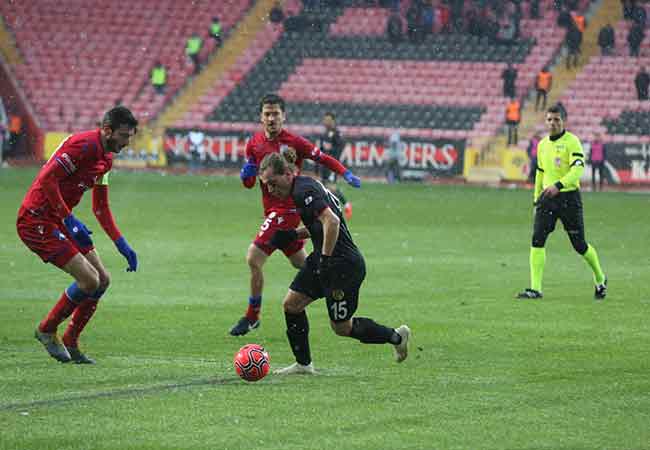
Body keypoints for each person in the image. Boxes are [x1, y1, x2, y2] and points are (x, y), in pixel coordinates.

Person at [257, 152, 410, 375]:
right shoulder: (303, 188)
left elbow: (332, 221)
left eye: (273, 183)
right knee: (292, 305)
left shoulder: (303, 191)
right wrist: (293, 235)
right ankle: (303, 364)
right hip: (325, 259)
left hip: (343, 266)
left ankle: (396, 336)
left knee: (341, 327)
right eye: (266, 185)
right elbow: (320, 226)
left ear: (288, 174)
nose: (270, 190)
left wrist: (325, 260)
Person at [230, 94, 361, 336]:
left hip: (289, 209)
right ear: (261, 117)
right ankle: (335, 282)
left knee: (253, 257)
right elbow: (249, 183)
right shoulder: (254, 144)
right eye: (267, 114)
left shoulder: (294, 142)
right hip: (271, 211)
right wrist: (245, 174)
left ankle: (252, 316)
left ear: (284, 116)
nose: (271, 118)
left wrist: (345, 173)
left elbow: (323, 158)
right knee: (301, 263)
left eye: (276, 114)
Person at [16, 106, 139, 363]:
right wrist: (69, 220)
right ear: (107, 130)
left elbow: (100, 207)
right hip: (36, 219)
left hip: (59, 220)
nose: (127, 143)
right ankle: (47, 329)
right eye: (124, 136)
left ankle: (71, 339)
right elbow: (48, 179)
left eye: (130, 136)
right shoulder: (83, 146)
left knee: (102, 280)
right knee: (89, 281)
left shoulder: (106, 159)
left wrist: (121, 243)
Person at [517, 104, 607, 300]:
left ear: (563, 120)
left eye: (556, 119)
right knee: (537, 240)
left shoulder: (572, 142)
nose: (552, 123)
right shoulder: (542, 145)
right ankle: (535, 289)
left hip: (568, 198)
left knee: (579, 245)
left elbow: (577, 170)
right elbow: (540, 174)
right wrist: (536, 201)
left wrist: (558, 184)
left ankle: (600, 279)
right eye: (549, 119)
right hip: (547, 200)